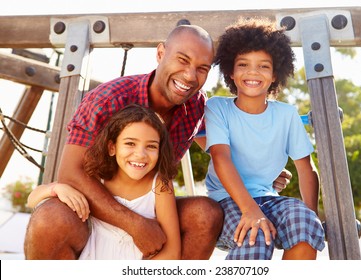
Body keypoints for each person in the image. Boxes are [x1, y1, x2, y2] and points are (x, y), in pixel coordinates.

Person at [24, 24, 291, 260]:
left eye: (201, 68)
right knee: (50, 218)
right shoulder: (108, 99)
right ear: (161, 53)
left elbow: (217, 143)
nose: (189, 76)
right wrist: (135, 225)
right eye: (182, 60)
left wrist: (259, 168)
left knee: (205, 213)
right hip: (95, 212)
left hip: (150, 208)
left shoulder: (197, 106)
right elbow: (70, 173)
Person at [204, 17, 325, 260]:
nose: (252, 72)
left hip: (269, 199)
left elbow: (306, 168)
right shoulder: (217, 108)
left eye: (263, 66)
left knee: (304, 224)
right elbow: (221, 159)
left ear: (274, 75)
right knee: (254, 233)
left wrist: (308, 215)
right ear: (230, 70)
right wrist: (250, 210)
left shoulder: (286, 114)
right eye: (243, 64)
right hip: (227, 201)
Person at [27, 104, 181, 259]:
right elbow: (32, 200)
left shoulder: (160, 185)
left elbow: (172, 252)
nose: (140, 154)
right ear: (112, 147)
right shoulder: (96, 178)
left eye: (151, 146)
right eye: (130, 143)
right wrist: (56, 189)